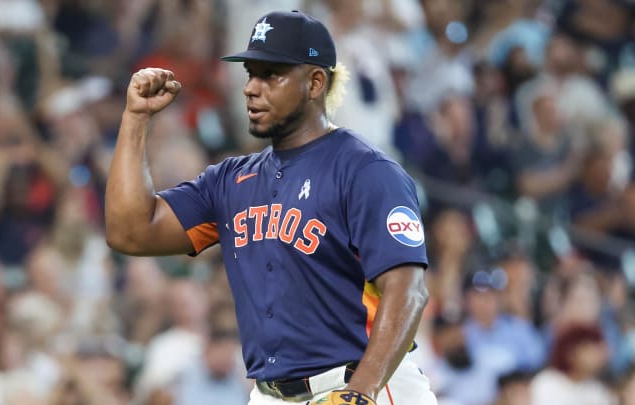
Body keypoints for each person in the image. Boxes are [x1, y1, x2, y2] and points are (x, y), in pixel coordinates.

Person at [105, 10, 436, 405]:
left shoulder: (365, 171)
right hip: (270, 394)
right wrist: (136, 120)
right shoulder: (230, 181)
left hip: (365, 383)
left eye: (271, 74)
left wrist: (360, 392)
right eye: (250, 73)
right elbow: (131, 231)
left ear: (315, 82)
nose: (251, 88)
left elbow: (408, 291)